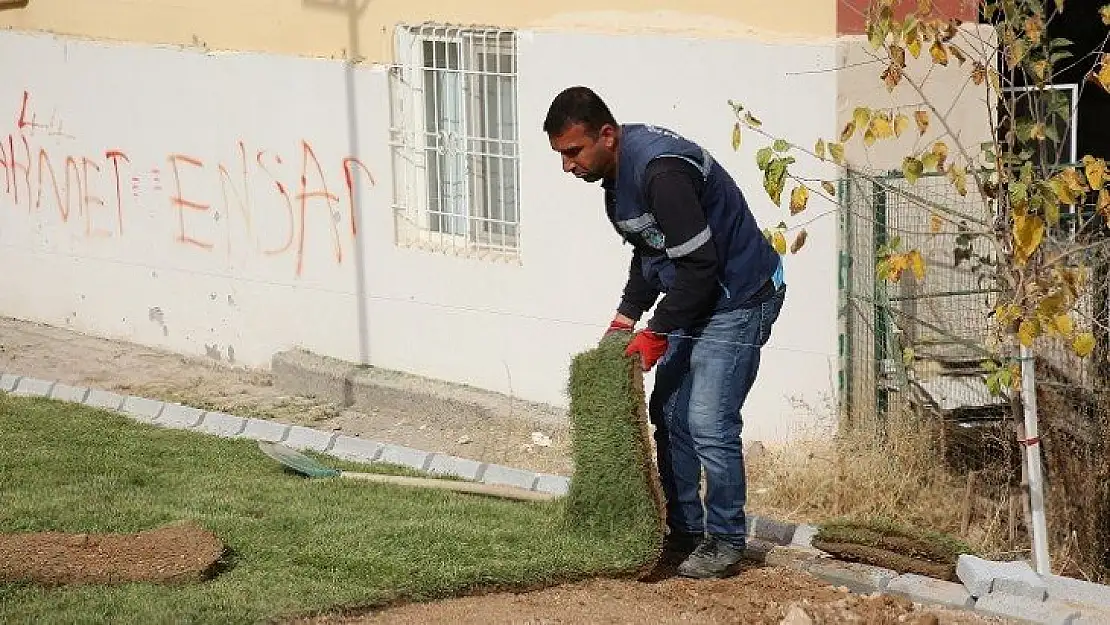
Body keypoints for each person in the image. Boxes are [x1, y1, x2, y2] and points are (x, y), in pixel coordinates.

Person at [544, 86, 786, 579]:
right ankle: (686, 531)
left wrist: (656, 334)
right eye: (561, 156)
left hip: (738, 296)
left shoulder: (662, 172)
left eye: (573, 152)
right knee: (669, 412)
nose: (568, 166)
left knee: (708, 420)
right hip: (694, 296)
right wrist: (625, 317)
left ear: (606, 135)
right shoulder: (613, 178)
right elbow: (652, 250)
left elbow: (699, 265)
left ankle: (725, 540)